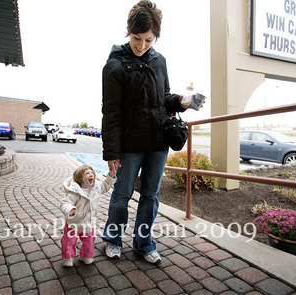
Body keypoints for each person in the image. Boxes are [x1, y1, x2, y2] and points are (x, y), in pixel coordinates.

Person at [101, 0, 202, 264]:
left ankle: (144, 243)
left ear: (155, 36)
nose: (142, 45)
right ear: (128, 32)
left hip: (158, 142)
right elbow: (111, 113)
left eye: (148, 39)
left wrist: (182, 101)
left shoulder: (160, 61)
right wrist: (111, 152)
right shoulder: (114, 66)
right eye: (137, 38)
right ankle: (112, 239)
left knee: (151, 195)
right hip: (130, 143)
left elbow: (164, 98)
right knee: (122, 194)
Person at [60, 165, 116, 267]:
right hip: (73, 222)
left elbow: (105, 185)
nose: (91, 174)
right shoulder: (74, 191)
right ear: (80, 178)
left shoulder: (96, 186)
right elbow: (65, 203)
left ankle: (86, 256)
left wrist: (111, 176)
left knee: (89, 240)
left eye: (92, 173)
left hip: (88, 222)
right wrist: (70, 209)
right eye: (87, 173)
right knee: (69, 241)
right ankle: (68, 258)